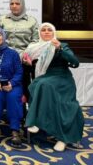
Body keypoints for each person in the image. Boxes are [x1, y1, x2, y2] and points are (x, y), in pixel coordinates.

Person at [23, 22, 84, 152]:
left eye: (49, 30)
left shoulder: (62, 45)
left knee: (45, 87)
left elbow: (75, 62)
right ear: (39, 33)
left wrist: (60, 49)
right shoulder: (34, 47)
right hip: (45, 77)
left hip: (63, 79)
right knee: (38, 84)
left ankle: (62, 138)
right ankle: (35, 122)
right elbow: (31, 62)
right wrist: (27, 62)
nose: (46, 32)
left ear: (54, 33)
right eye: (43, 30)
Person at [0, 0, 39, 99]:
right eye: (12, 4)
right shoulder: (3, 20)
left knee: (25, 74)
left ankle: (25, 100)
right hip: (5, 54)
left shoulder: (32, 21)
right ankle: (4, 99)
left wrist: (24, 54)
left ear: (23, 5)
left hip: (25, 55)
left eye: (17, 3)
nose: (14, 6)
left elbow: (35, 41)